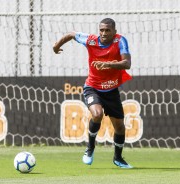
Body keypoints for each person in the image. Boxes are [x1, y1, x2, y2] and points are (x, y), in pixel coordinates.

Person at [53, 18, 133, 168]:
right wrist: (56, 46)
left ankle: (118, 158)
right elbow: (71, 34)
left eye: (107, 30)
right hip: (92, 87)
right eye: (101, 30)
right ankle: (90, 149)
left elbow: (127, 63)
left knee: (120, 127)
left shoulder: (120, 41)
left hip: (111, 90)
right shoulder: (91, 40)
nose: (103, 33)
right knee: (97, 114)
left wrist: (107, 64)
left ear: (114, 32)